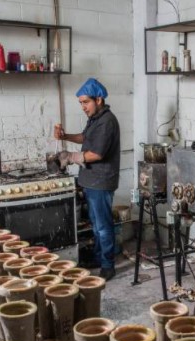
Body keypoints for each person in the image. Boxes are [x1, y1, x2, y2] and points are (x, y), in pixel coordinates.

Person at [55, 78, 120, 280]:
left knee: (103, 225)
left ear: (98, 99)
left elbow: (97, 154)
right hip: (91, 180)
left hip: (101, 181)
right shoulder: (95, 119)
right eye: (81, 103)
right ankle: (99, 257)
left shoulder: (107, 121)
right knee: (95, 222)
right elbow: (85, 138)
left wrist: (71, 157)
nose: (83, 107)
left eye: (86, 102)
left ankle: (108, 265)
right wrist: (65, 137)